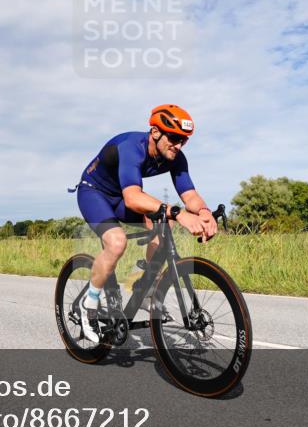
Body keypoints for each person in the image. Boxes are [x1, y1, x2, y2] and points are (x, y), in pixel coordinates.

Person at [73, 104, 217, 342]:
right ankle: (89, 304)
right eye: (174, 138)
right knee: (117, 243)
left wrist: (204, 212)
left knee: (164, 223)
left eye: (184, 140)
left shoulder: (175, 157)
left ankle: (146, 286)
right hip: (94, 192)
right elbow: (132, 197)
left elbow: (189, 194)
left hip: (119, 196)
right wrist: (179, 214)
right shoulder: (131, 148)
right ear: (155, 132)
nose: (178, 145)